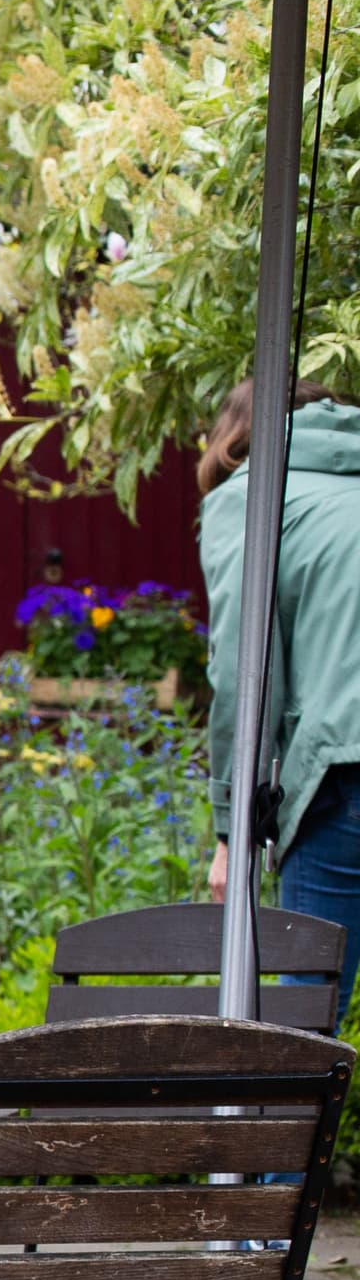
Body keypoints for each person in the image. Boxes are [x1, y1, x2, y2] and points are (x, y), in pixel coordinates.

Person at [201, 376, 360, 1025]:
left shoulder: (256, 496)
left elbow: (246, 669)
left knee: (303, 1024)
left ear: (232, 439)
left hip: (343, 776)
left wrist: (230, 830)